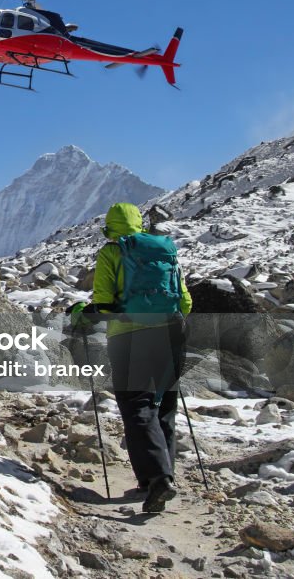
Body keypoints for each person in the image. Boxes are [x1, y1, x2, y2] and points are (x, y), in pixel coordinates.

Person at [73, 202, 192, 514]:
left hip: (130, 338)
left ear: (110, 226)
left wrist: (83, 315)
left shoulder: (112, 252)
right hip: (172, 336)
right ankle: (159, 478)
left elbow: (104, 304)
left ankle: (156, 479)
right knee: (164, 406)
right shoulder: (165, 250)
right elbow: (186, 301)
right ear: (140, 224)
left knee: (137, 405)